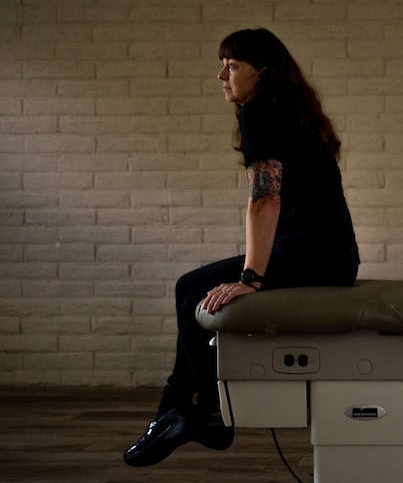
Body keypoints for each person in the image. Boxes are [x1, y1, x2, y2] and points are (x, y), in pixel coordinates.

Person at [123, 28, 360, 467]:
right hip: (331, 255)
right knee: (192, 289)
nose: (221, 75)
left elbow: (264, 199)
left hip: (312, 255)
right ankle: (181, 411)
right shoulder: (292, 110)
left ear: (263, 73)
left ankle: (207, 415)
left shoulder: (261, 111)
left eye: (232, 66)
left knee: (191, 290)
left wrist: (251, 279)